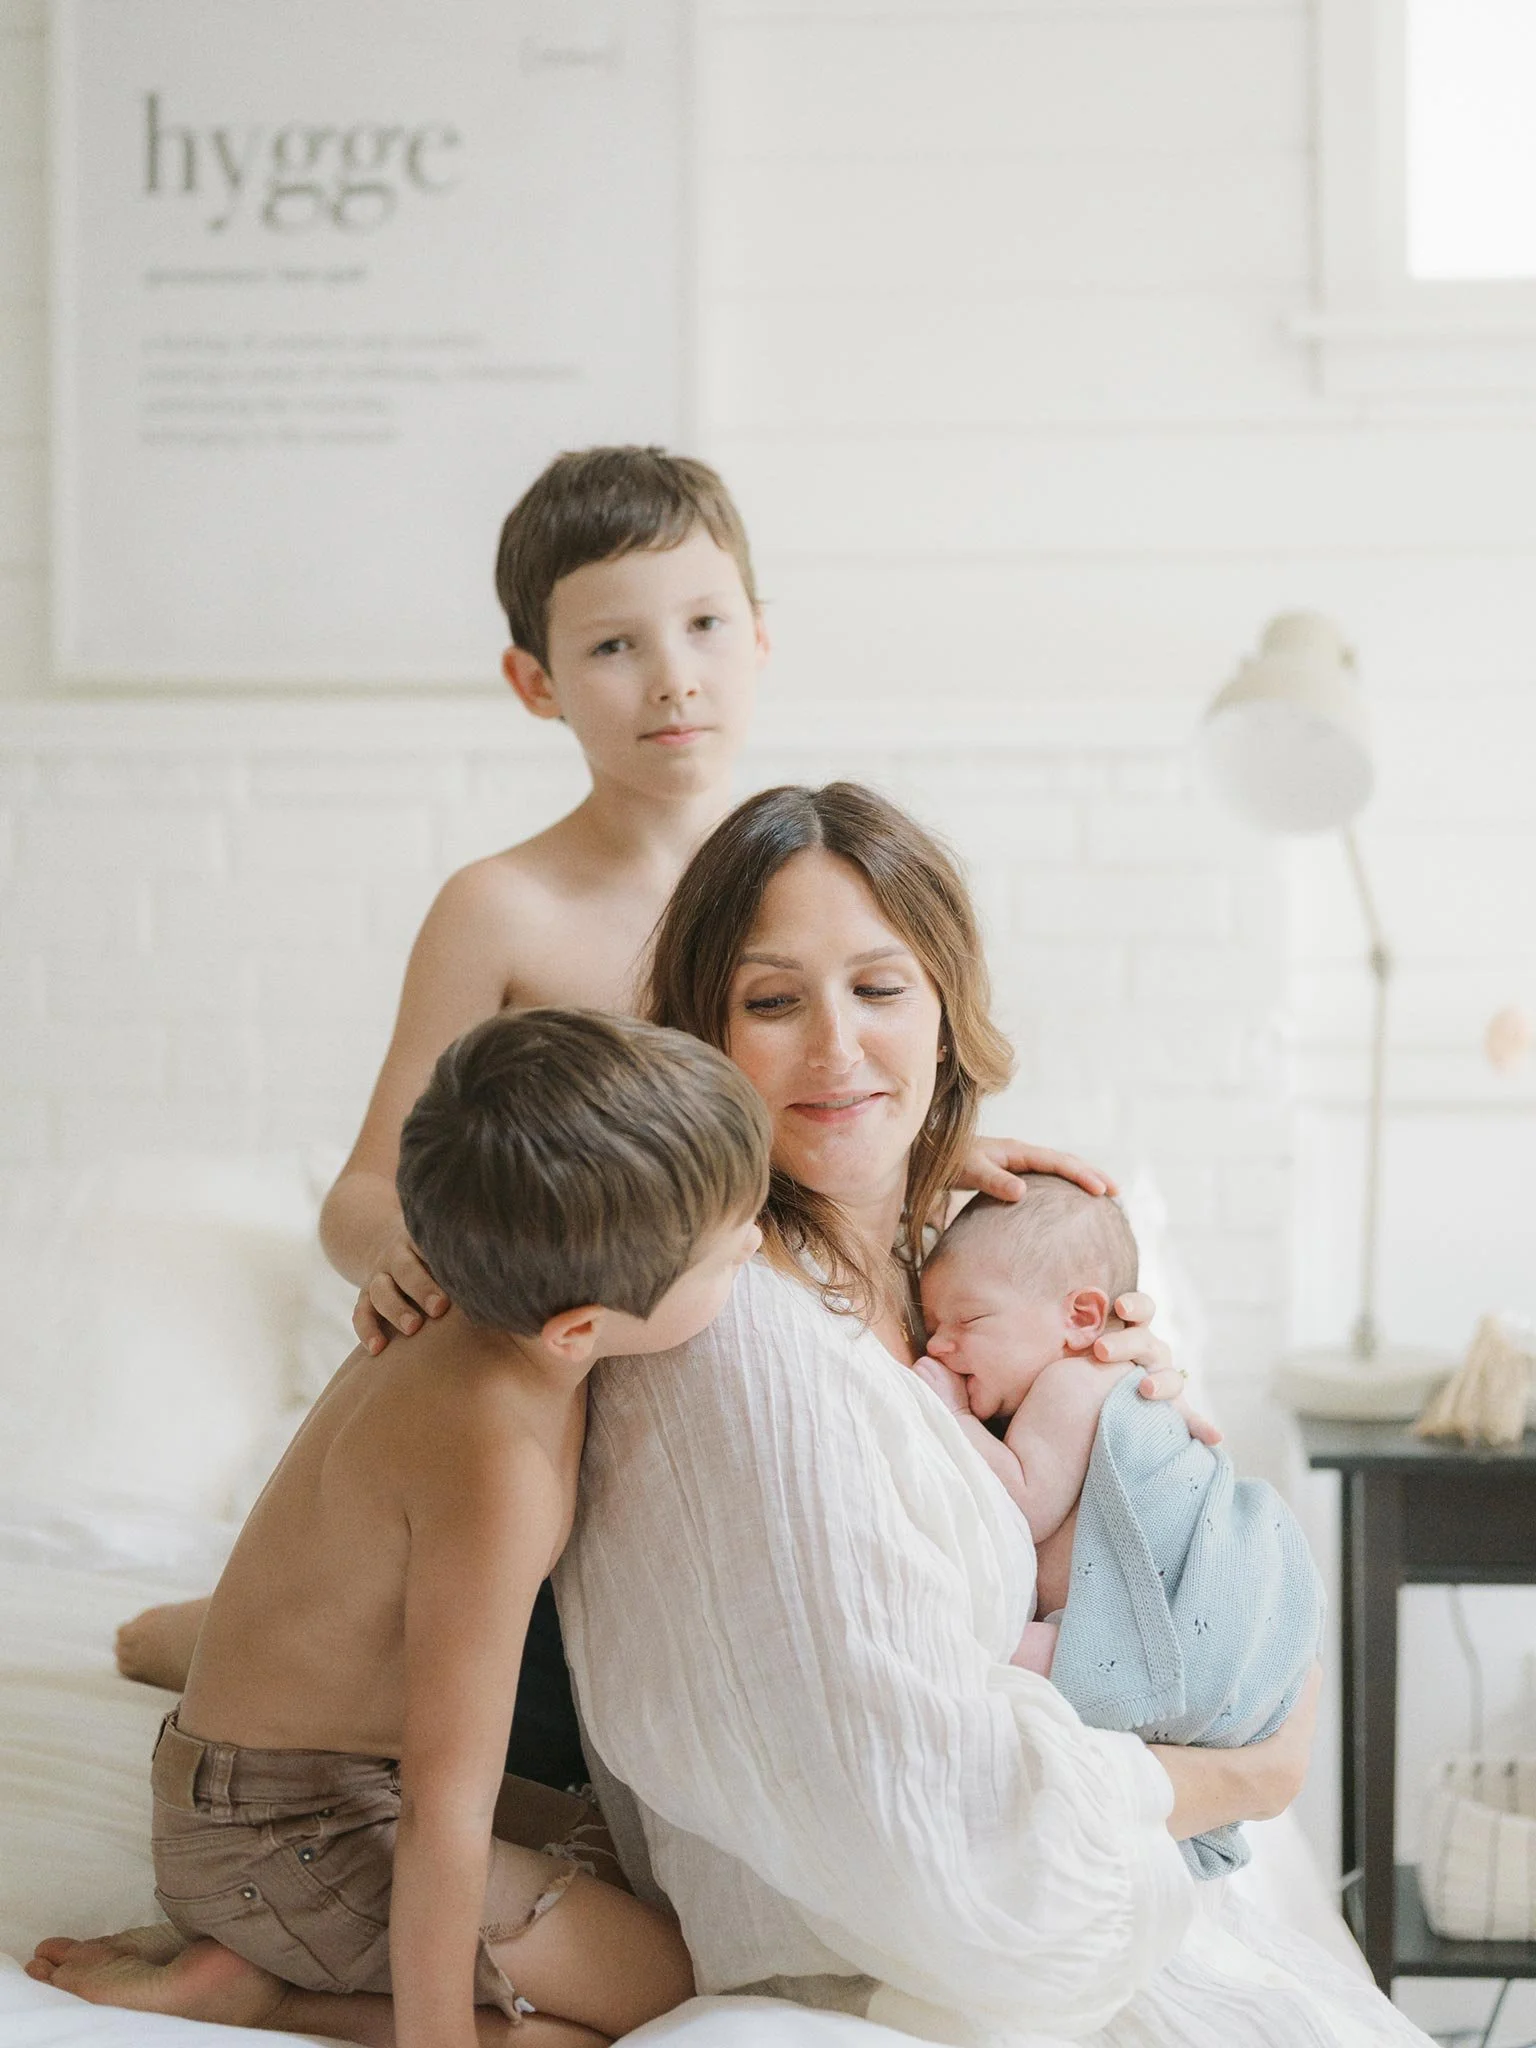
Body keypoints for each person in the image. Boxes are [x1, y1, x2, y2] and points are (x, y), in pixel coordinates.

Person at [114, 447, 1137, 1763]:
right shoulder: (508, 909)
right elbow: (365, 1192)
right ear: (533, 682)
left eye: (707, 625)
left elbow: (811, 1123)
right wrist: (411, 1256)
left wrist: (946, 1159)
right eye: (614, 646)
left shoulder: (803, 878)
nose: (674, 677)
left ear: (762, 639)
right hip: (560, 1358)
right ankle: (264, 1620)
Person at [553, 782, 1431, 2047]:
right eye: (771, 999)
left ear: (948, 1009)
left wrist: (1121, 1436)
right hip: (928, 1963)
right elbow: (920, 1829)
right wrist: (1244, 1778)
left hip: (1115, 1901)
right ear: (701, 1034)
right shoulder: (731, 1333)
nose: (836, 1048)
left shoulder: (953, 1277)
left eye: (881, 987)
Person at [31, 1009, 770, 2048]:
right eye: (729, 1257)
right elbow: (443, 1808)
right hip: (284, 1842)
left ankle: (181, 1661)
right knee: (664, 1986)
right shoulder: (495, 1467)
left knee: (637, 1852)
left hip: (266, 1784)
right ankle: (268, 1992)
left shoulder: (459, 1267)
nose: (755, 1242)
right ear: (579, 1331)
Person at [914, 1178, 1325, 1879]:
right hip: (1169, 1641)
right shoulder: (1071, 1375)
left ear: (1080, 1316)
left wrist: (945, 1416)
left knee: (987, 1663)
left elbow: (1023, 1500)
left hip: (1157, 1630)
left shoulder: (1075, 1380)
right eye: (932, 1329)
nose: (943, 1345)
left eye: (969, 1322)